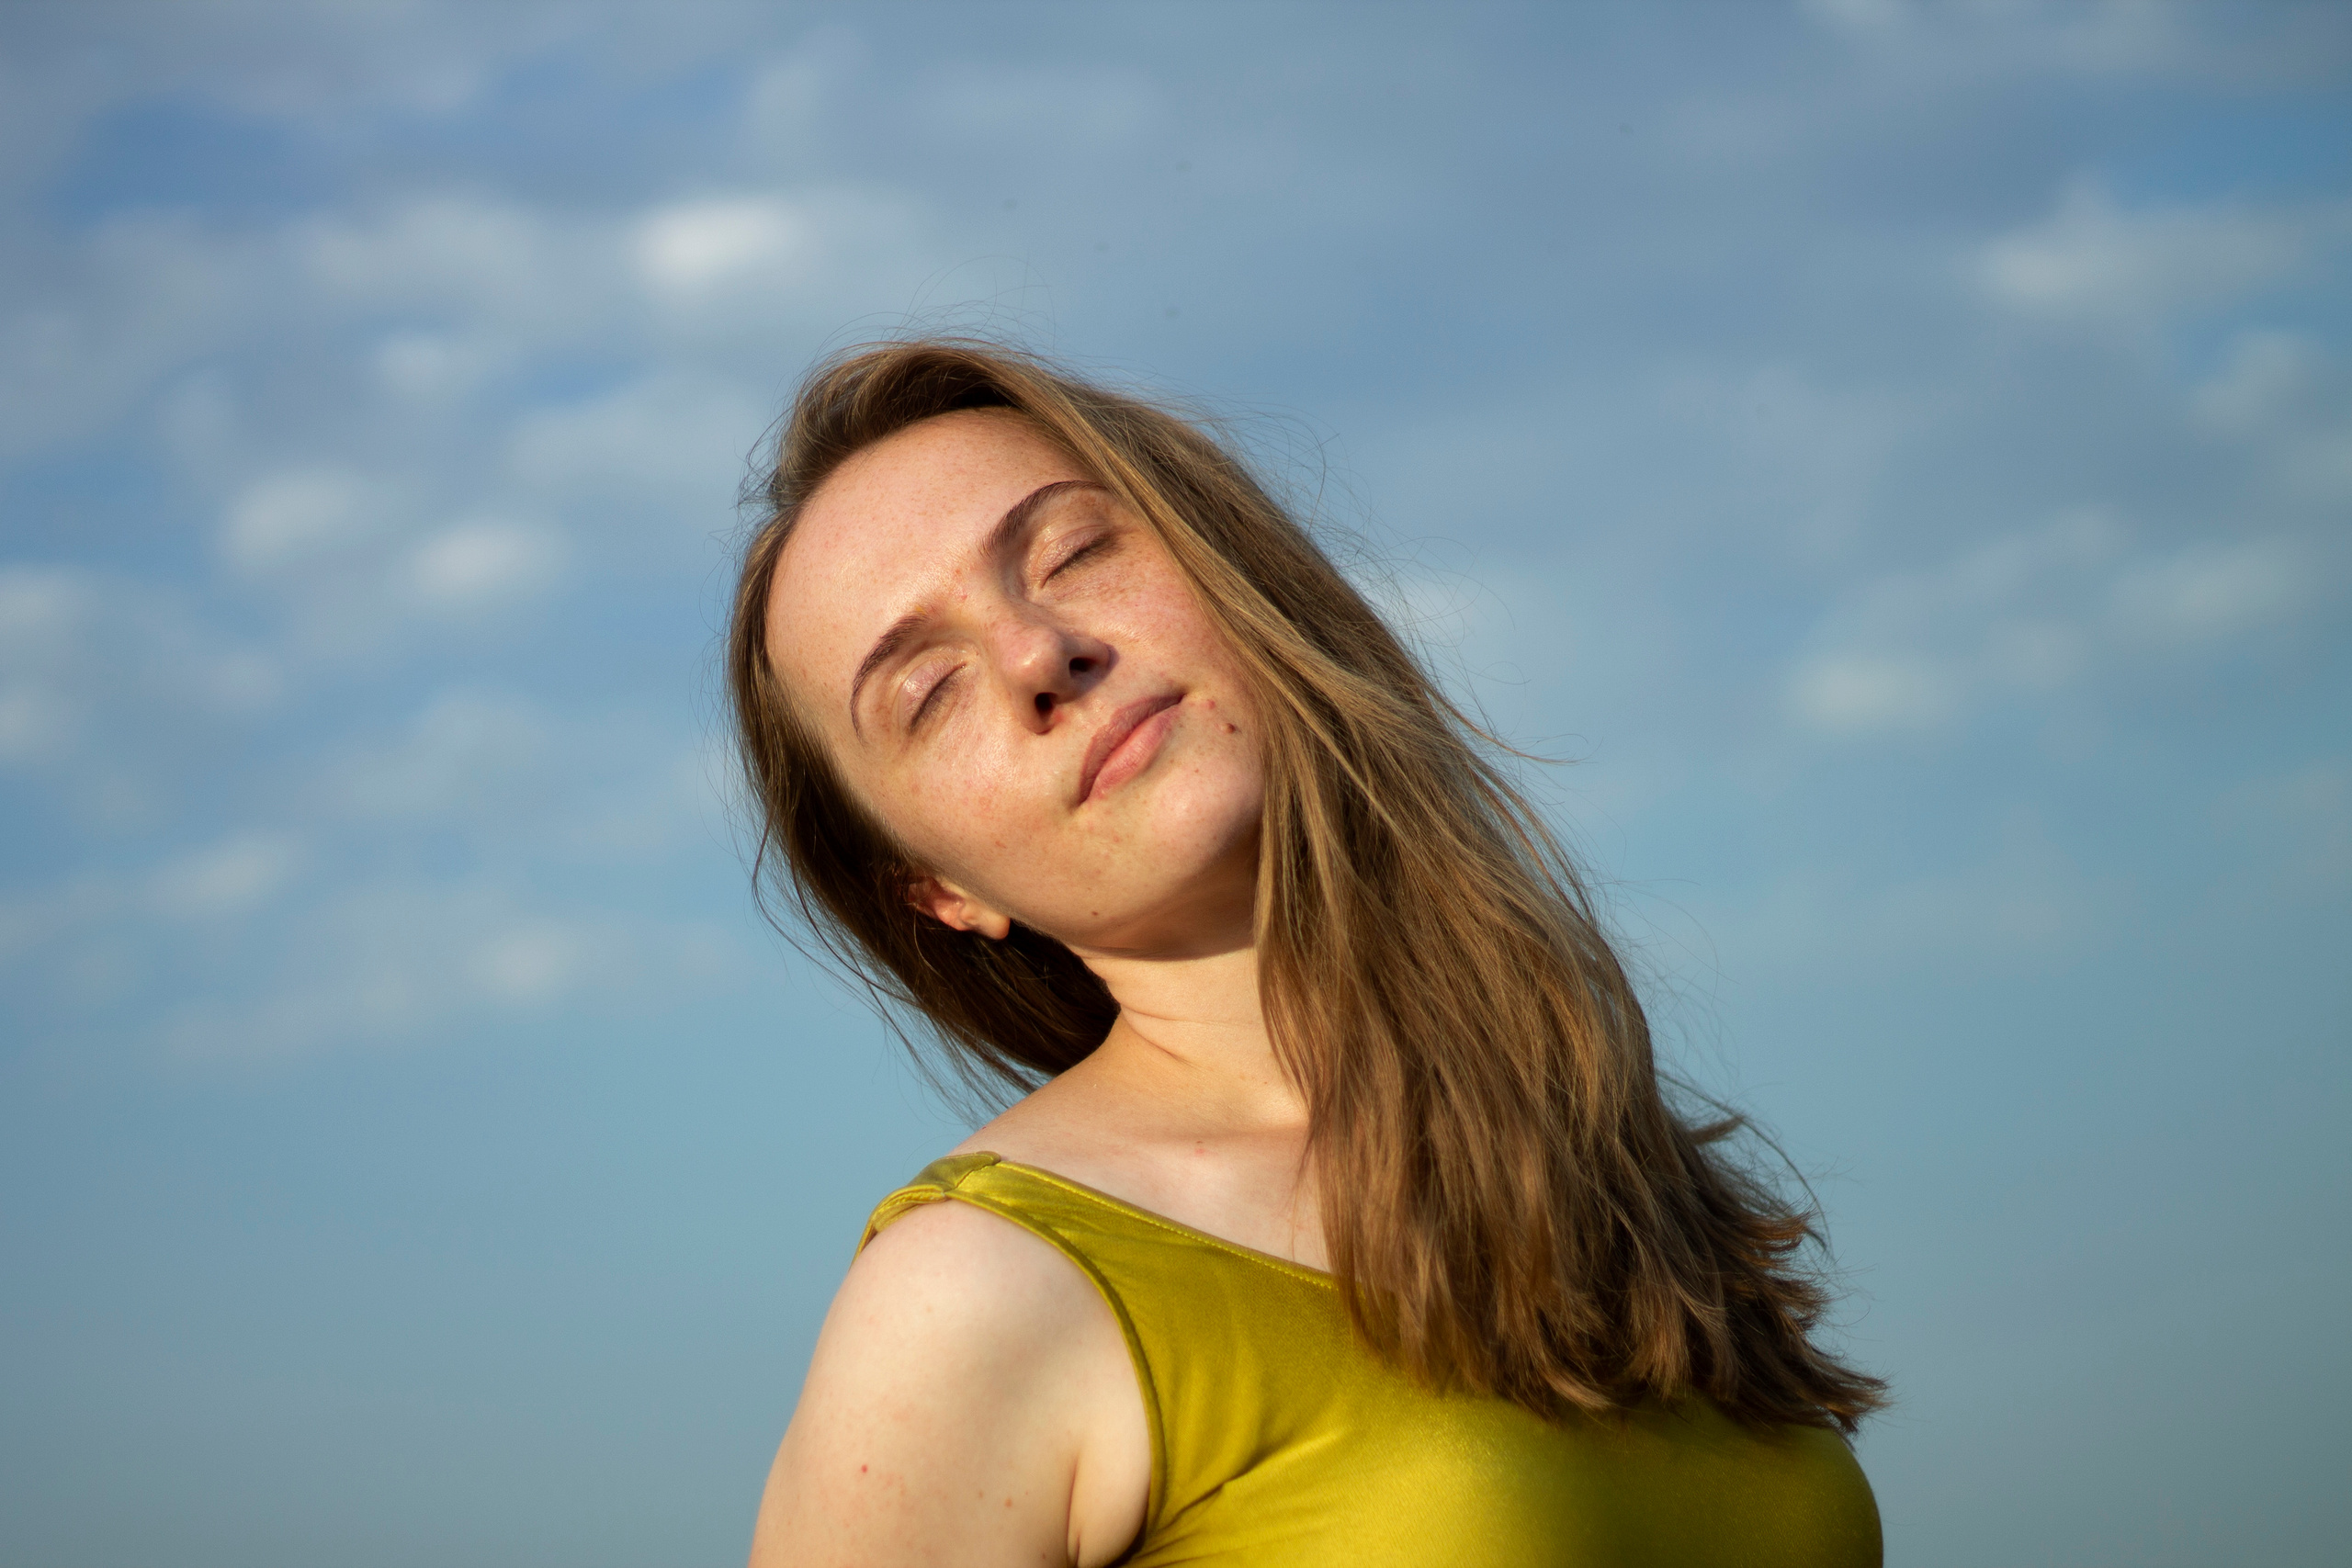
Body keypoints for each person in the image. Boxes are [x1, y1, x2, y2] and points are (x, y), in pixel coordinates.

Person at [728, 338, 1886, 1568]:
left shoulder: (1603, 1165)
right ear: (938, 892)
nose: (1035, 655)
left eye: (1073, 552)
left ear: (1236, 568)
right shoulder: (973, 1294)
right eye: (926, 693)